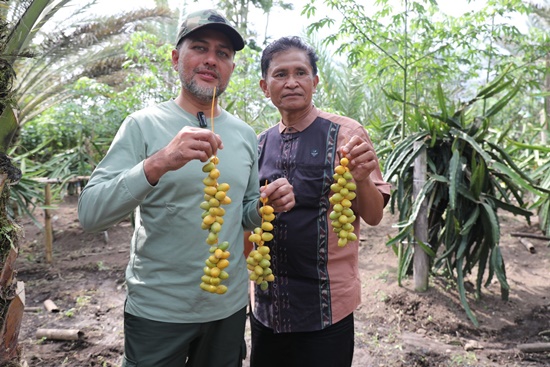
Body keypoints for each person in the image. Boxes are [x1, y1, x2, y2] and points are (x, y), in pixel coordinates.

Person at [78, 9, 294, 367]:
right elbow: (90, 214)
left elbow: (242, 214)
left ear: (231, 68)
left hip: (226, 308)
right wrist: (159, 162)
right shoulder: (142, 125)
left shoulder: (242, 135)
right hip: (158, 311)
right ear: (177, 58)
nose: (211, 59)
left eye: (223, 53)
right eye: (199, 47)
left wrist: (265, 206)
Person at [248, 36, 392, 367]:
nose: (292, 82)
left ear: (315, 81)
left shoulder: (347, 134)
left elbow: (372, 215)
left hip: (327, 307)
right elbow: (244, 221)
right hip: (268, 307)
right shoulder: (256, 145)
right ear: (264, 86)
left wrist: (360, 177)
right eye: (280, 74)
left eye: (301, 72)